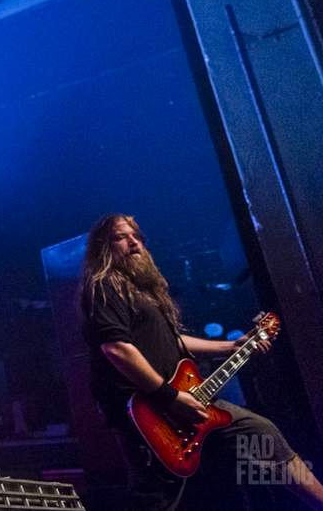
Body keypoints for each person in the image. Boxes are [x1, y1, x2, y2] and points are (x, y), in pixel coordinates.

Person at [80, 213, 323, 509]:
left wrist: (230, 346)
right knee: (158, 496)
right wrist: (169, 397)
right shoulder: (105, 286)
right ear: (103, 247)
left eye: (137, 236)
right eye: (121, 237)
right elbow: (116, 348)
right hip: (147, 410)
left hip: (181, 399)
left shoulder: (143, 292)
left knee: (262, 433)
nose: (134, 243)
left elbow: (173, 341)